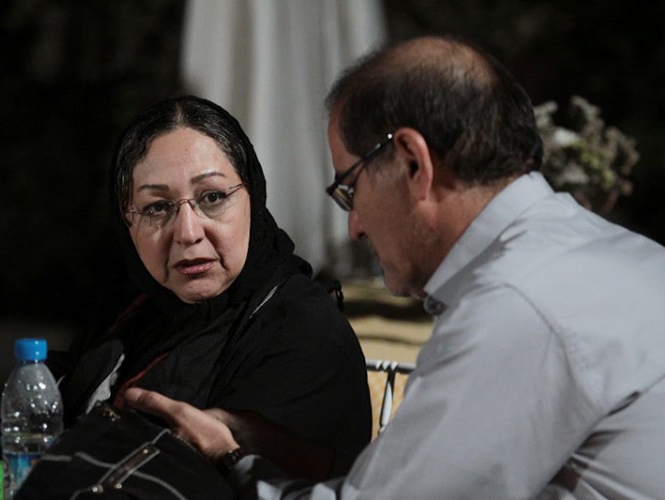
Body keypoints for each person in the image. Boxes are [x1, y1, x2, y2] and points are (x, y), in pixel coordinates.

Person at [121, 34, 665, 499]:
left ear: (413, 163)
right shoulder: (608, 257)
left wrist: (229, 458)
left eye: (350, 189)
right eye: (156, 208)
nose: (355, 226)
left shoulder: (518, 305)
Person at [0, 96, 372, 497]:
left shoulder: (301, 333)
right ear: (127, 221)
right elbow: (47, 426)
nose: (187, 232)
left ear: (253, 197)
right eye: (157, 207)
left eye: (212, 197)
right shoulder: (135, 313)